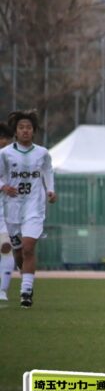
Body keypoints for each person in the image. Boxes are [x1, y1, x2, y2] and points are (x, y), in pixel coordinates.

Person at [0, 110, 56, 307]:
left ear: (34, 131)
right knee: (18, 253)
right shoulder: (5, 154)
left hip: (34, 206)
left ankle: (26, 291)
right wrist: (4, 187)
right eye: (21, 127)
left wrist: (50, 190)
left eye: (29, 128)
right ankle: (25, 277)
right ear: (16, 131)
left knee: (29, 247)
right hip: (12, 208)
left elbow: (48, 171)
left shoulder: (42, 153)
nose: (25, 131)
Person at [0, 123, 15, 302]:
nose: (4, 141)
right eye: (2, 138)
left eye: (6, 139)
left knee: (6, 248)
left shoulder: (11, 158)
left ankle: (2, 290)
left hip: (4, 214)